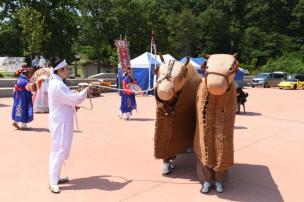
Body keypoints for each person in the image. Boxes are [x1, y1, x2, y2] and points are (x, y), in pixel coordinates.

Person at [48, 58, 90, 193]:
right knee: (59, 150)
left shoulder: (58, 82)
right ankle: (53, 181)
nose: (68, 70)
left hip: (62, 120)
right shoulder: (57, 84)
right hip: (61, 122)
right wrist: (86, 91)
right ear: (59, 70)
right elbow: (74, 99)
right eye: (66, 68)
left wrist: (73, 106)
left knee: (60, 149)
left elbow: (67, 100)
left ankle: (55, 177)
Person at [11, 64, 40, 130]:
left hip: (19, 96)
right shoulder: (24, 81)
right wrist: (38, 83)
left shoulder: (20, 79)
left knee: (18, 109)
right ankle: (24, 125)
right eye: (29, 73)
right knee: (24, 109)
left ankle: (15, 121)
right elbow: (30, 87)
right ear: (26, 73)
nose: (30, 75)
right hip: (24, 97)